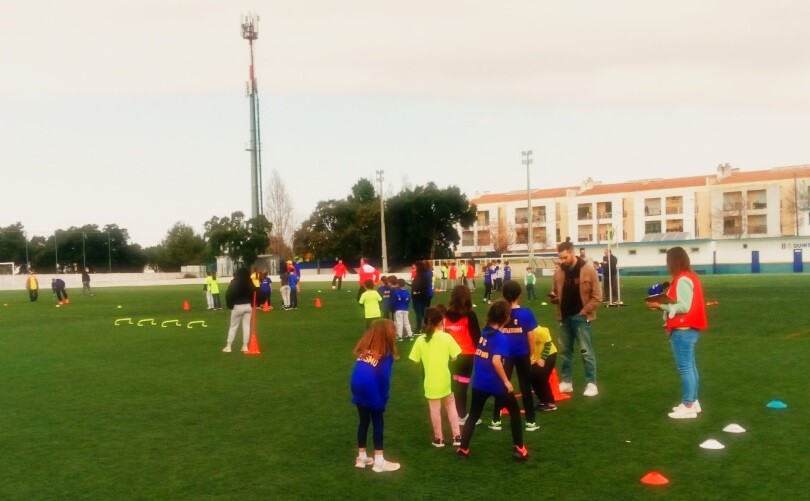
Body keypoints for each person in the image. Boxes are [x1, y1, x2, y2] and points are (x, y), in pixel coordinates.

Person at [456, 300, 531, 462]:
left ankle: (463, 448)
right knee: (515, 412)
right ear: (505, 317)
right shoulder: (501, 338)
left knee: (473, 415)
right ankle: (519, 448)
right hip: (496, 384)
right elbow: (496, 361)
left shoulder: (485, 332)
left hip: (479, 383)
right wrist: (506, 381)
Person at [647, 246, 708, 419]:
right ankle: (693, 401)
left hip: (683, 330)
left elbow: (683, 307)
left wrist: (660, 305)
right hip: (689, 329)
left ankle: (688, 405)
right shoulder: (690, 277)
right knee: (690, 366)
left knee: (685, 367)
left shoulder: (682, 279)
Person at [551, 241, 602, 397]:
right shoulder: (558, 272)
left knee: (586, 352)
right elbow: (555, 292)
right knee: (565, 352)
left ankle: (591, 384)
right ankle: (566, 382)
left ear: (572, 252)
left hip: (581, 317)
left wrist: (584, 312)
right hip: (564, 317)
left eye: (565, 257)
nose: (563, 261)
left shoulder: (588, 270)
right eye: (560, 258)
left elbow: (597, 296)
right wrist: (554, 298)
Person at [351, 319, 400, 472]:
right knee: (378, 421)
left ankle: (362, 457)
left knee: (364, 420)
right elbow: (384, 378)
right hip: (370, 387)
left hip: (356, 385)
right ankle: (379, 462)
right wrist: (383, 398)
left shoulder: (365, 349)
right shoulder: (386, 352)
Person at [409, 307, 462, 448]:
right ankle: (457, 436)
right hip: (445, 380)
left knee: (434, 410)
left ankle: (439, 439)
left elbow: (415, 361)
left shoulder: (420, 340)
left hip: (430, 382)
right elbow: (455, 357)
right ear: (441, 321)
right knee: (451, 407)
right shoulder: (447, 337)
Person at [490, 280, 539, 432]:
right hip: (522, 354)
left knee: (502, 385)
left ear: (503, 295)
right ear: (520, 295)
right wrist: (532, 354)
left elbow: (494, 332)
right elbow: (531, 336)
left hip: (504, 355)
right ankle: (530, 421)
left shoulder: (500, 312)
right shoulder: (526, 313)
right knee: (525, 386)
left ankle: (496, 419)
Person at [443, 285, 481, 423]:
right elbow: (476, 336)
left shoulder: (446, 314)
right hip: (466, 355)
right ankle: (462, 415)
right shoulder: (470, 314)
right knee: (462, 385)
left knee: (454, 384)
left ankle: (454, 413)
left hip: (451, 356)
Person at [223, 268, 256, 353]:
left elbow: (229, 295)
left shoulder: (234, 282)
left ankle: (228, 346)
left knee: (233, 327)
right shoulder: (250, 282)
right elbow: (255, 292)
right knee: (246, 326)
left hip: (237, 306)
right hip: (248, 306)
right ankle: (245, 346)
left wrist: (230, 306)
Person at [530, 325, 558, 412]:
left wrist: (543, 358)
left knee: (541, 377)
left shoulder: (539, 331)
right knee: (533, 378)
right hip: (535, 357)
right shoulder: (522, 332)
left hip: (549, 354)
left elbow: (548, 344)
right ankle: (542, 401)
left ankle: (550, 403)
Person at [411, 261, 431, 333]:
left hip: (418, 297)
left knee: (418, 313)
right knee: (423, 313)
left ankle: (418, 328)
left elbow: (416, 286)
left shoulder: (419, 276)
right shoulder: (425, 275)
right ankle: (427, 326)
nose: (414, 269)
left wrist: (415, 290)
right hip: (424, 296)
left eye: (415, 267)